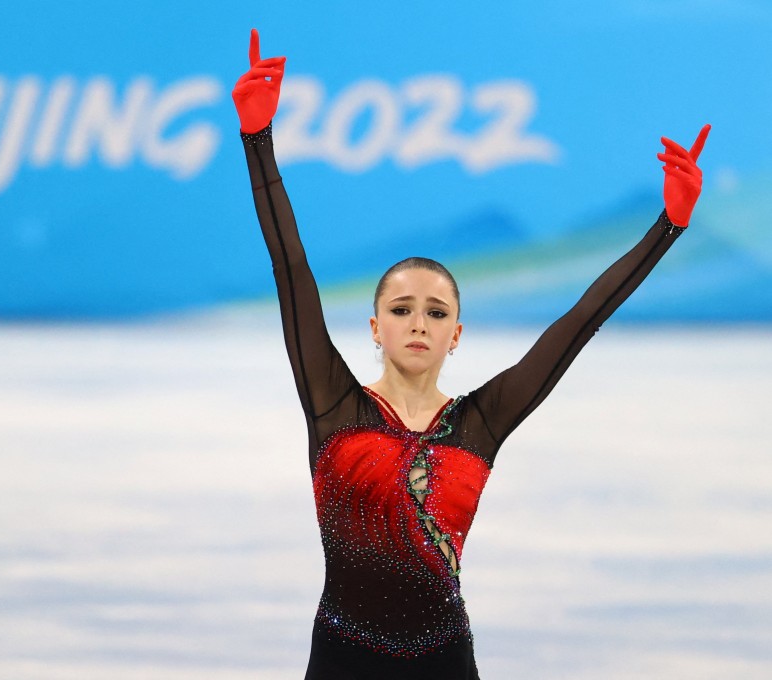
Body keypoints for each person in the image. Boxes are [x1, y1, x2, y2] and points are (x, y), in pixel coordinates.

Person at [232, 28, 710, 680]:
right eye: (401, 310)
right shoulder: (334, 405)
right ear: (375, 326)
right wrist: (258, 141)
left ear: (457, 333)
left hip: (444, 660)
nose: (418, 323)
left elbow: (579, 323)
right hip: (342, 658)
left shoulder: (480, 423)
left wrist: (669, 227)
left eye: (436, 312)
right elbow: (291, 266)